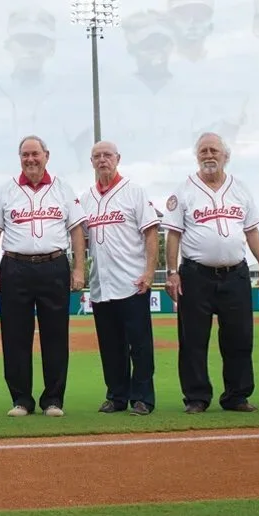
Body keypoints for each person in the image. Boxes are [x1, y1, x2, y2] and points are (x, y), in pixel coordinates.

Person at [163, 132, 259, 414]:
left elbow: (252, 231)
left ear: (226, 156)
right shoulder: (184, 189)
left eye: (214, 150)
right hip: (195, 274)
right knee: (193, 340)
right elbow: (173, 235)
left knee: (239, 337)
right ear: (196, 156)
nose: (208, 155)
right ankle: (197, 397)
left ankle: (236, 396)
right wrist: (172, 272)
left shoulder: (240, 188)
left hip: (235, 274)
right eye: (203, 151)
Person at [0, 135, 87, 418]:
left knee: (56, 335)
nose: (30, 159)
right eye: (25, 155)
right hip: (15, 266)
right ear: (19, 158)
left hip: (53, 265)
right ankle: (21, 400)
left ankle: (53, 399)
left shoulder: (63, 189)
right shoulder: (6, 190)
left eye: (35, 154)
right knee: (15, 336)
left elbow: (77, 230)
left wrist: (79, 268)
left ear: (46, 155)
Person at [83, 141, 159, 416]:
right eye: (97, 156)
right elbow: (80, 238)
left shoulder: (134, 192)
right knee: (110, 345)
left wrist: (149, 272)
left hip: (132, 281)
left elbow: (151, 234)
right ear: (91, 162)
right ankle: (116, 396)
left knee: (139, 344)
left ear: (118, 159)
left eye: (107, 155)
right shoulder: (86, 197)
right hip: (101, 284)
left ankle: (143, 397)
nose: (103, 160)